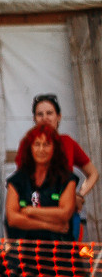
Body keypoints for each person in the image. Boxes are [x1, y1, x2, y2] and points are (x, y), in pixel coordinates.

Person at [5, 124, 79, 277]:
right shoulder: (17, 179)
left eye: (46, 143)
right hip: (24, 257)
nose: (41, 148)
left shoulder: (66, 178)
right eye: (37, 143)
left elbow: (66, 212)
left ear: (54, 147)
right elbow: (12, 217)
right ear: (29, 147)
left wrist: (30, 212)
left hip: (57, 258)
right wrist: (51, 221)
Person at [32, 93, 97, 236]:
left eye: (49, 113)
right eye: (40, 114)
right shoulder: (29, 147)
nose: (45, 118)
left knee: (69, 257)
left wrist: (79, 195)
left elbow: (93, 173)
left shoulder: (67, 142)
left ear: (58, 117)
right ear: (34, 119)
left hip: (68, 216)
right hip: (40, 217)